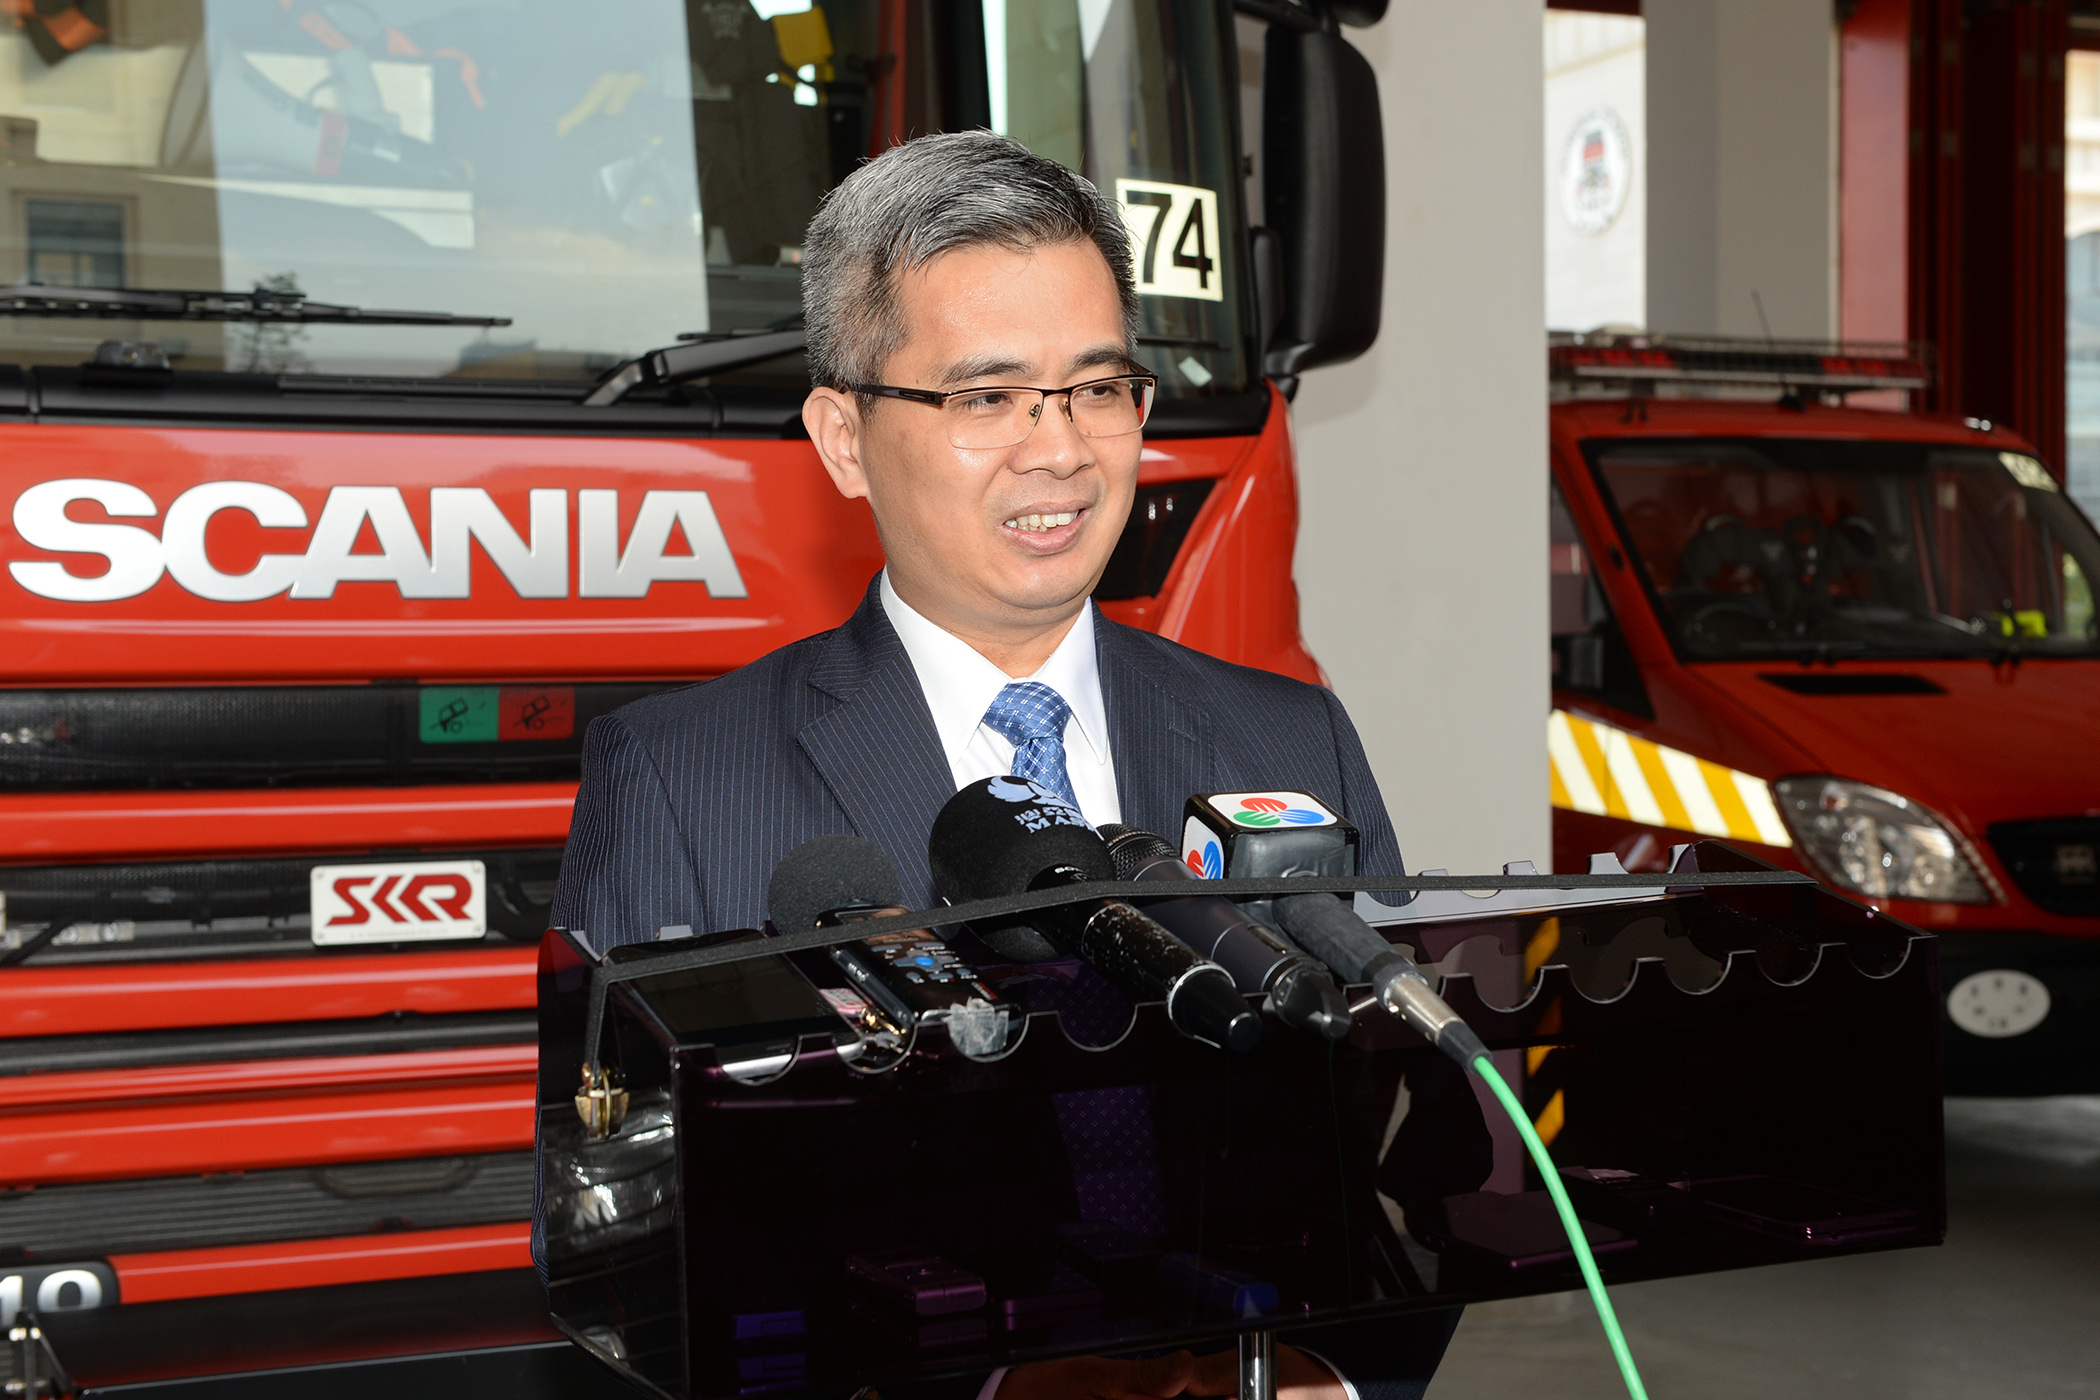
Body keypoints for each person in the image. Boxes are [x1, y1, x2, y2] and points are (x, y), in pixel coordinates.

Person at [550, 130, 1458, 1400]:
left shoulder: (1290, 737)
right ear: (844, 437)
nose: (1061, 450)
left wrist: (1339, 1377)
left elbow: (1407, 1163)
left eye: (1098, 387)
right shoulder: (678, 779)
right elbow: (622, 1251)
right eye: (987, 399)